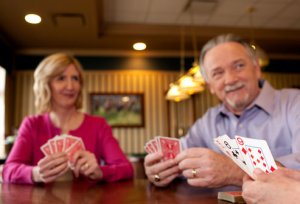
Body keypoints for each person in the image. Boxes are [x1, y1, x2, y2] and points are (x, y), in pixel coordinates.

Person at [144, 33, 300, 188]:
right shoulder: (208, 121)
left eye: (239, 66)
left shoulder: (295, 103)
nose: (230, 79)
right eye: (217, 73)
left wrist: (235, 171)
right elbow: (177, 160)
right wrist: (158, 171)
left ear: (257, 69)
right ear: (210, 86)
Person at [2, 53, 134, 184]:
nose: (70, 86)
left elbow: (127, 169)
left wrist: (100, 171)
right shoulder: (32, 124)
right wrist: (35, 173)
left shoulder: (98, 125)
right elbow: (8, 170)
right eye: (61, 78)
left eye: (75, 78)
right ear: (46, 84)